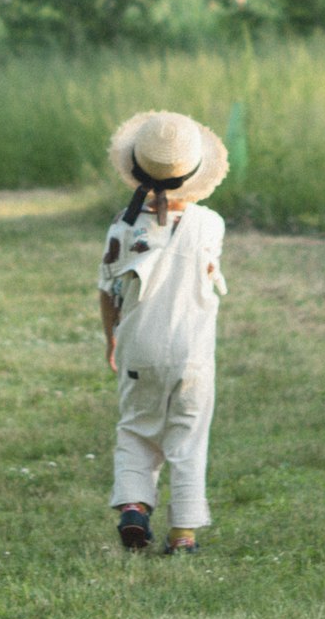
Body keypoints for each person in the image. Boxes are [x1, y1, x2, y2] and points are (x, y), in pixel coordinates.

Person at [98, 108, 229, 553]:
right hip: (192, 353)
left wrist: (110, 339)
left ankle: (134, 508)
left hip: (138, 347)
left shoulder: (122, 226)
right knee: (188, 437)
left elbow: (106, 290)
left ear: (137, 169)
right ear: (193, 172)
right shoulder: (210, 224)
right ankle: (183, 536)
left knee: (136, 428)